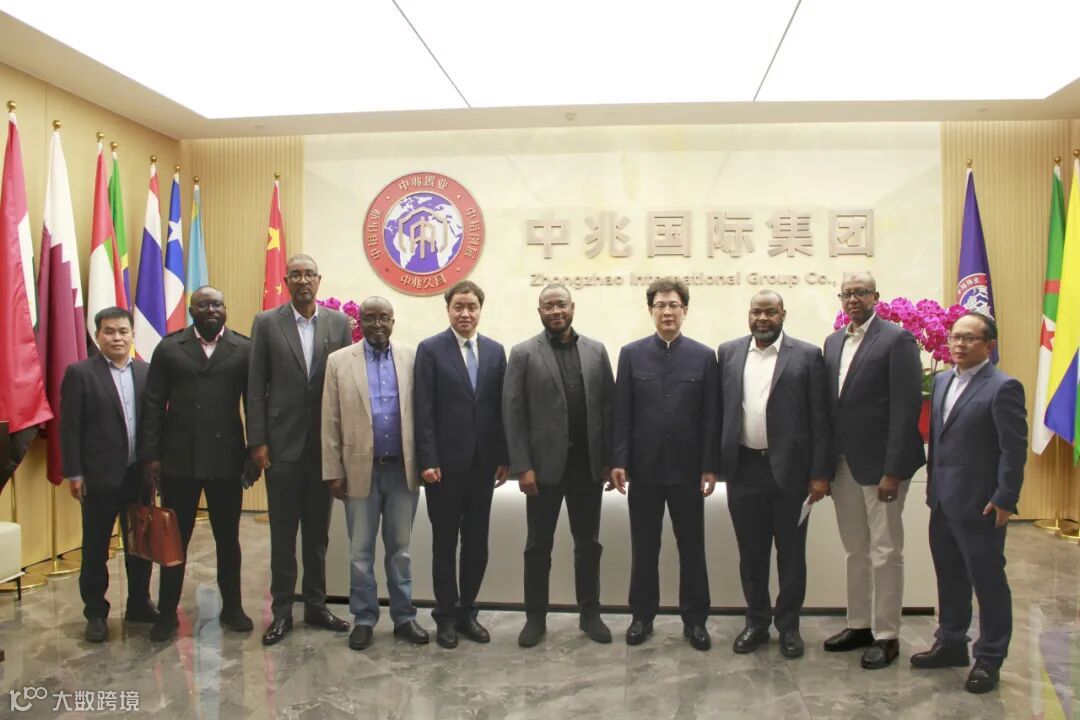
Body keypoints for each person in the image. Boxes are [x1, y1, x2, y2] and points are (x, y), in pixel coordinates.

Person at [912, 312, 1026, 694]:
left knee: (988, 583)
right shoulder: (943, 381)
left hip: (981, 505)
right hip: (943, 501)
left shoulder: (1003, 387)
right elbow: (940, 440)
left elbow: (1013, 450)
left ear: (989, 345)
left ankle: (989, 658)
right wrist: (933, 489)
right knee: (949, 575)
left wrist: (1005, 498)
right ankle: (951, 642)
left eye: (969, 338)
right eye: (955, 337)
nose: (958, 344)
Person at [717, 291, 830, 658]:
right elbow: (720, 411)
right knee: (751, 554)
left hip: (792, 473)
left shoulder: (808, 355)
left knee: (791, 554)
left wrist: (819, 473)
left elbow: (820, 419)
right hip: (744, 468)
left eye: (770, 312)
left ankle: (789, 626)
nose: (762, 318)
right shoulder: (728, 353)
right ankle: (756, 622)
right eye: (756, 311)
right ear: (748, 314)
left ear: (783, 314)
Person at [248, 254, 353, 646]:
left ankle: (315, 606)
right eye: (296, 275)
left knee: (317, 537)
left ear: (319, 280)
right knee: (282, 536)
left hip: (324, 448)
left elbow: (345, 384)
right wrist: (258, 441)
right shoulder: (266, 323)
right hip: (281, 447)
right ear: (286, 281)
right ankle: (281, 612)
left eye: (309, 274)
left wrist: (343, 446)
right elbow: (255, 386)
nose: (303, 280)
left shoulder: (338, 323)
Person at [822, 272, 925, 669]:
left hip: (882, 467)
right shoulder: (833, 343)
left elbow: (906, 408)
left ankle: (886, 635)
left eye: (861, 292)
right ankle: (859, 624)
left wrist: (893, 470)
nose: (853, 299)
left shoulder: (897, 339)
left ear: (875, 297)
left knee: (885, 551)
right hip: (843, 464)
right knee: (855, 550)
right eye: (847, 293)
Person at [503, 284, 615, 647]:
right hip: (542, 471)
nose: (555, 311)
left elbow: (609, 409)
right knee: (538, 547)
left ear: (572, 307)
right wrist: (522, 466)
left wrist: (609, 461)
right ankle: (535, 618)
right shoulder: (523, 353)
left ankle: (590, 615)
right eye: (548, 306)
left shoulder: (596, 351)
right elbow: (513, 413)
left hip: (587, 468)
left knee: (589, 545)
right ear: (539, 311)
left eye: (561, 304)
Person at [140, 286, 253, 642]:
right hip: (179, 461)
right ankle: (167, 613)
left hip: (226, 462)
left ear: (225, 309)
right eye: (204, 305)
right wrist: (151, 455)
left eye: (218, 304)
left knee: (228, 539)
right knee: (175, 541)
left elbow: (253, 404)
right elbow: (153, 403)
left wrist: (254, 452)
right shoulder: (170, 348)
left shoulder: (243, 348)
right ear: (191, 311)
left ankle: (233, 608)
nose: (212, 310)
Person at [611, 277, 718, 651]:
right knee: (644, 548)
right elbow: (621, 412)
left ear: (685, 310)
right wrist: (619, 460)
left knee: (692, 548)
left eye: (674, 305)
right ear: (650, 310)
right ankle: (642, 617)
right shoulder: (631, 354)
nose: (667, 311)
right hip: (644, 470)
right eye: (660, 305)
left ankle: (696, 621)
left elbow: (711, 416)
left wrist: (710, 466)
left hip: (688, 471)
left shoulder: (704, 357)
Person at [321, 296, 429, 650]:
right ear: (360, 322)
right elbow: (330, 419)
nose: (377, 324)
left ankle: (404, 617)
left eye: (384, 318)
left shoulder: (412, 358)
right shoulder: (339, 361)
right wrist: (333, 470)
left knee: (401, 552)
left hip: (402, 471)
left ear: (393, 321)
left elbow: (424, 414)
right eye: (370, 318)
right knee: (360, 553)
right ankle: (364, 619)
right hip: (358, 472)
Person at [415, 280, 510, 649]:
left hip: (483, 466)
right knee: (444, 544)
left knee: (476, 544)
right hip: (443, 468)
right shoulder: (430, 350)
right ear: (448, 310)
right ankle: (445, 616)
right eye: (459, 307)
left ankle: (467, 611)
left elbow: (500, 409)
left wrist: (504, 457)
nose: (465, 313)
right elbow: (423, 408)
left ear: (480, 310)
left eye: (472, 307)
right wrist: (428, 459)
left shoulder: (495, 351)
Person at [60, 307, 156, 642]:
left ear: (132, 334)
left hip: (139, 477)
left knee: (140, 546)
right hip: (99, 478)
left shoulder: (145, 371)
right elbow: (69, 428)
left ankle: (139, 603)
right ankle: (96, 613)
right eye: (109, 332)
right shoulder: (80, 373)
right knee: (95, 548)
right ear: (98, 335)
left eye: (123, 331)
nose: (117, 338)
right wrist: (74, 473)